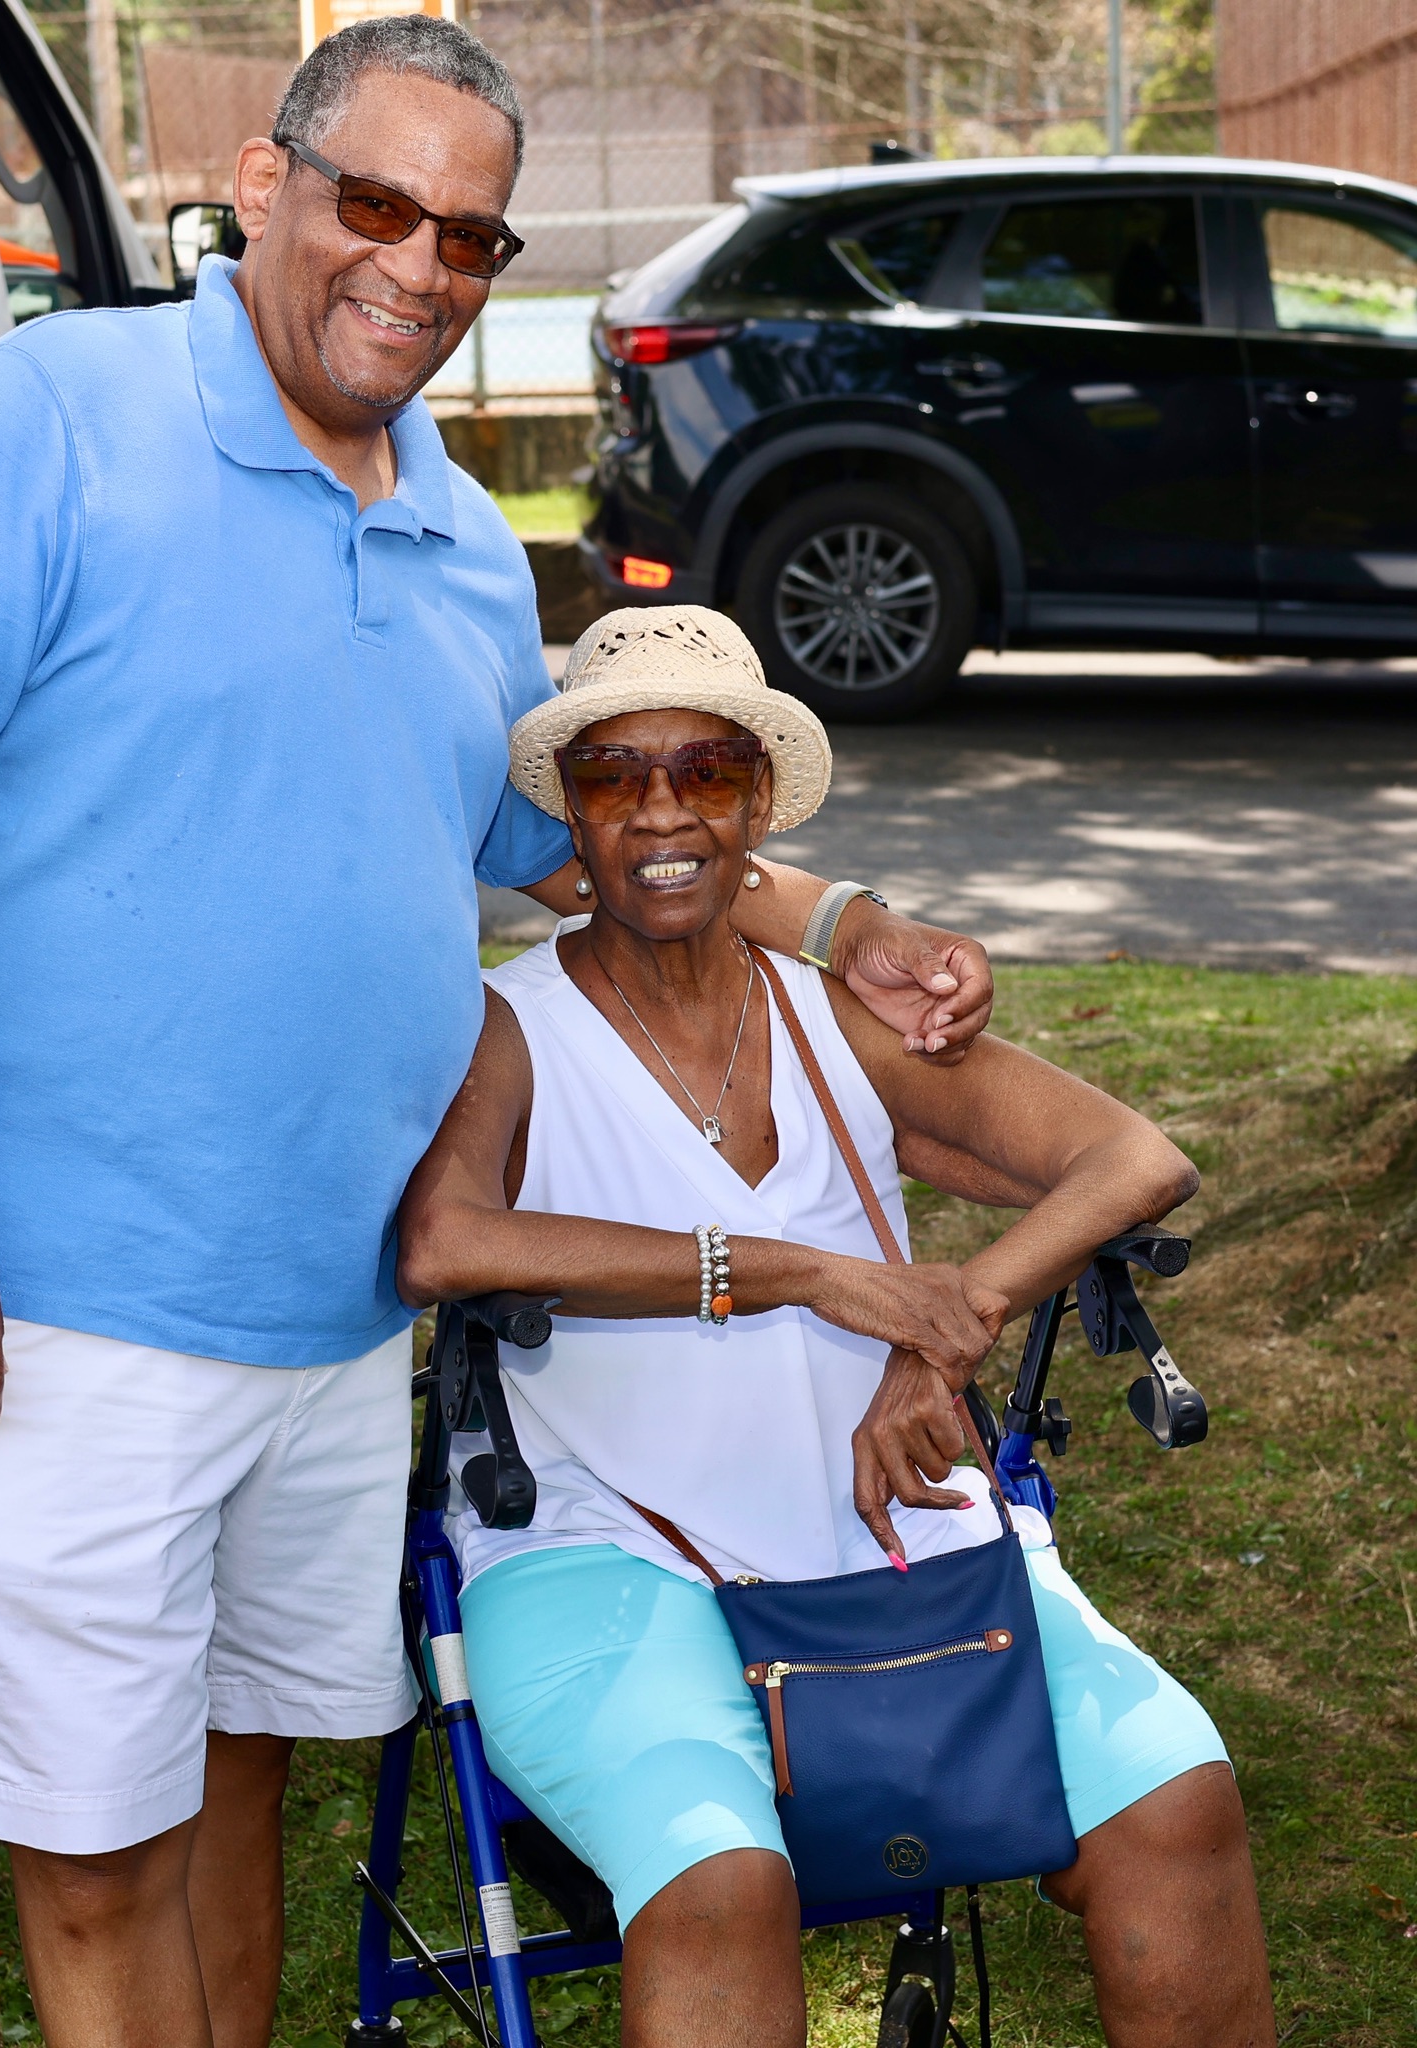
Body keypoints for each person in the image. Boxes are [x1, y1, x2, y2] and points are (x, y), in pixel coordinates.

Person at [0, 23, 1003, 2048]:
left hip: (333, 1310)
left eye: (470, 237)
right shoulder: (59, 412)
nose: (420, 266)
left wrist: (851, 924)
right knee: (96, 1853)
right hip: (39, 1292)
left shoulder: (453, 528)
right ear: (261, 187)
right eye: (376, 204)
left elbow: (567, 844)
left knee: (243, 1772)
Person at [397, 605, 1278, 2048]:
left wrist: (943, 1326)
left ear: (758, 807)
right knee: (718, 1883)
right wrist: (800, 1273)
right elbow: (446, 1241)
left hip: (890, 1531)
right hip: (606, 1546)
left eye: (705, 771)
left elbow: (1134, 1157)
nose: (662, 811)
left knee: (1175, 1801)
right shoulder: (509, 1025)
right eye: (615, 775)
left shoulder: (833, 1017)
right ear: (572, 813)